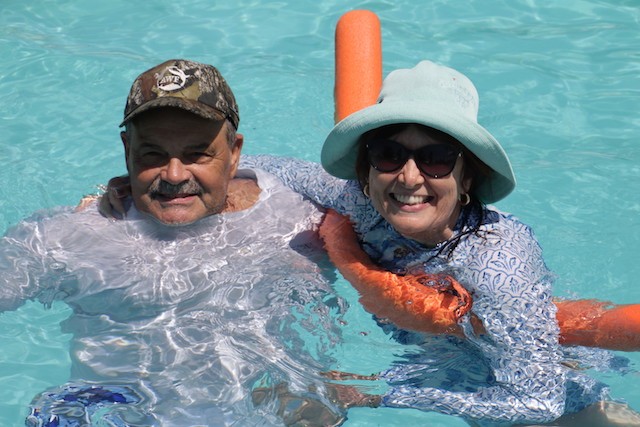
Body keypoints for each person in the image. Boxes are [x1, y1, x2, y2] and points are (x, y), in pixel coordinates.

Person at [101, 61, 637, 426]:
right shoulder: (358, 200)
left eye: (435, 158)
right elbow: (265, 165)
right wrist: (154, 180)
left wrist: (372, 392)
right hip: (443, 365)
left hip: (553, 403)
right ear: (366, 167)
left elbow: (536, 401)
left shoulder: (496, 262)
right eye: (388, 154)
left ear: (468, 174)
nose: (408, 177)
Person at [3, 59, 347, 426]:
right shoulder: (68, 237)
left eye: (197, 154)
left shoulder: (297, 217)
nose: (174, 174)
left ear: (234, 153)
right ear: (127, 150)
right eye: (153, 154)